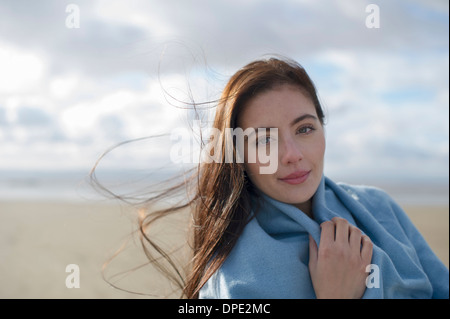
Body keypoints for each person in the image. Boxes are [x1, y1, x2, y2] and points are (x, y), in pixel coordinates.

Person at [93, 56, 449, 299]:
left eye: (305, 128)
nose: (292, 153)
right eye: (264, 139)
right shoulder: (234, 275)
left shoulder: (377, 206)